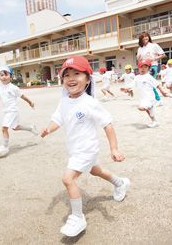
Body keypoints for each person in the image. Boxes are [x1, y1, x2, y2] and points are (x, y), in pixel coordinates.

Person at [40, 56, 130, 237]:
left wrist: (114, 149)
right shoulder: (64, 100)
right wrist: (48, 129)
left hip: (86, 149)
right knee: (96, 170)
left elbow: (108, 124)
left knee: (68, 179)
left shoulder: (90, 103)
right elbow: (58, 119)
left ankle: (77, 217)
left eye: (76, 74)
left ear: (88, 79)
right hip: (75, 149)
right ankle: (121, 183)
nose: (71, 78)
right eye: (66, 75)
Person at [0, 66, 38, 157]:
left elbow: (23, 96)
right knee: (15, 127)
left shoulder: (13, 88)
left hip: (12, 111)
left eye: (6, 74)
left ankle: (5, 146)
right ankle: (31, 128)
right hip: (6, 112)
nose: (3, 77)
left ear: (11, 76)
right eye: (1, 75)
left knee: (4, 128)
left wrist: (30, 102)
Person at [135, 60, 169, 128]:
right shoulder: (137, 77)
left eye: (145, 67)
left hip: (149, 97)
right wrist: (127, 88)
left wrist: (163, 91)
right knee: (148, 111)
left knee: (142, 108)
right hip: (143, 98)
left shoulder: (149, 77)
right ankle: (154, 121)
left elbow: (158, 85)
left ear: (148, 68)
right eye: (141, 67)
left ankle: (149, 107)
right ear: (138, 68)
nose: (143, 69)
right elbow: (133, 84)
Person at [136, 32, 166, 105]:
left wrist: (154, 58)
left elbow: (163, 55)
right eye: (143, 37)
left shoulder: (154, 45)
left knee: (150, 83)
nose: (145, 38)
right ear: (141, 39)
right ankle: (154, 100)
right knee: (147, 84)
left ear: (149, 37)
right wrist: (138, 58)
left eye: (146, 36)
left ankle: (158, 100)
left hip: (153, 66)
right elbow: (138, 59)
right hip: (144, 68)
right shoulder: (140, 48)